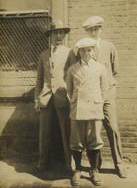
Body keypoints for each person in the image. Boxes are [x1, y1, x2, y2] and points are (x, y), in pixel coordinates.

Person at [64, 16, 126, 178]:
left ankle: (119, 164)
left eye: (96, 28)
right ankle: (93, 167)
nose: (94, 31)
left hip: (105, 94)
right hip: (84, 97)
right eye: (90, 29)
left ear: (101, 29)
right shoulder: (76, 51)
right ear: (86, 31)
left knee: (112, 127)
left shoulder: (109, 46)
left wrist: (105, 92)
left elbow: (114, 71)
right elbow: (70, 78)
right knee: (88, 133)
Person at [66, 37, 109, 186]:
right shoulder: (72, 69)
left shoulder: (100, 68)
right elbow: (69, 90)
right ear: (78, 52)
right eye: (83, 50)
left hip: (94, 108)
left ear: (93, 51)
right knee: (76, 141)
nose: (86, 53)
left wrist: (97, 102)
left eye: (89, 50)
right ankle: (77, 170)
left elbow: (104, 89)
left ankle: (94, 170)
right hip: (78, 109)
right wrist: (74, 103)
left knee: (95, 140)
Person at [34, 20, 72, 173]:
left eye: (61, 32)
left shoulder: (70, 53)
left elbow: (73, 75)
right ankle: (43, 162)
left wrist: (71, 96)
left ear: (64, 35)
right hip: (45, 98)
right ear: (50, 35)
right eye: (55, 33)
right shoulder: (44, 55)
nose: (58, 35)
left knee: (66, 131)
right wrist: (37, 99)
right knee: (44, 132)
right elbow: (39, 78)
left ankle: (70, 164)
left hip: (62, 97)